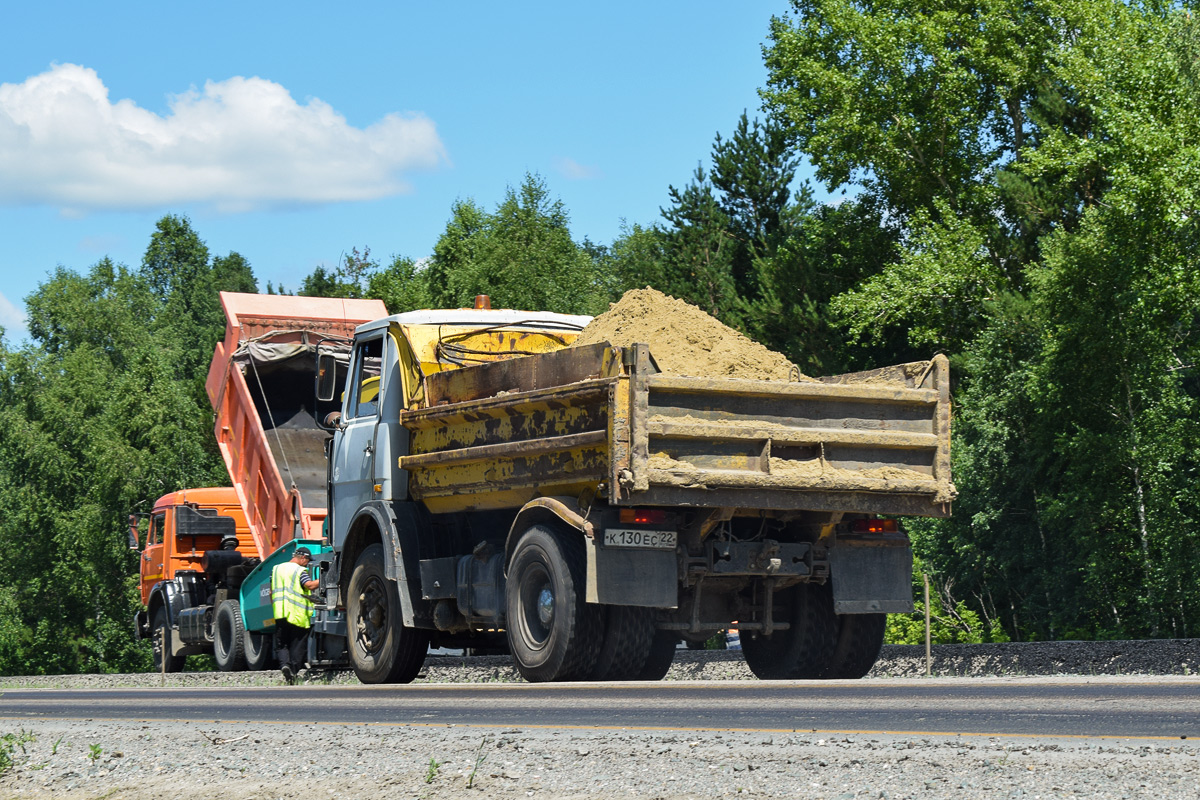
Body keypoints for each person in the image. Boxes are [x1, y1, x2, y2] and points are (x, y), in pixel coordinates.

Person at [271, 546, 319, 684]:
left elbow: (271, 592)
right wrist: (326, 579)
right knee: (298, 645)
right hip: (297, 614)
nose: (308, 564)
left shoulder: (276, 569)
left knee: (281, 644)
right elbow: (309, 585)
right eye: (308, 561)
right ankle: (292, 671)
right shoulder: (299, 571)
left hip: (280, 613)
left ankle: (284, 665)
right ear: (303, 557)